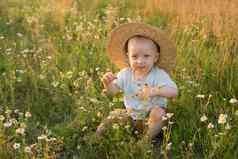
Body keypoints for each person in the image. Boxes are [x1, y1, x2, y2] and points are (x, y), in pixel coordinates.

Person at [96, 23, 178, 141]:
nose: (140, 61)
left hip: (150, 119)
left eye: (146, 56)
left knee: (159, 113)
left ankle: (145, 142)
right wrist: (108, 85)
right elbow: (112, 92)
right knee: (115, 115)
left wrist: (153, 91)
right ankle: (96, 136)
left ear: (155, 57)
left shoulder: (159, 74)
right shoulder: (125, 74)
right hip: (131, 117)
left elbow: (174, 92)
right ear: (128, 57)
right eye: (134, 56)